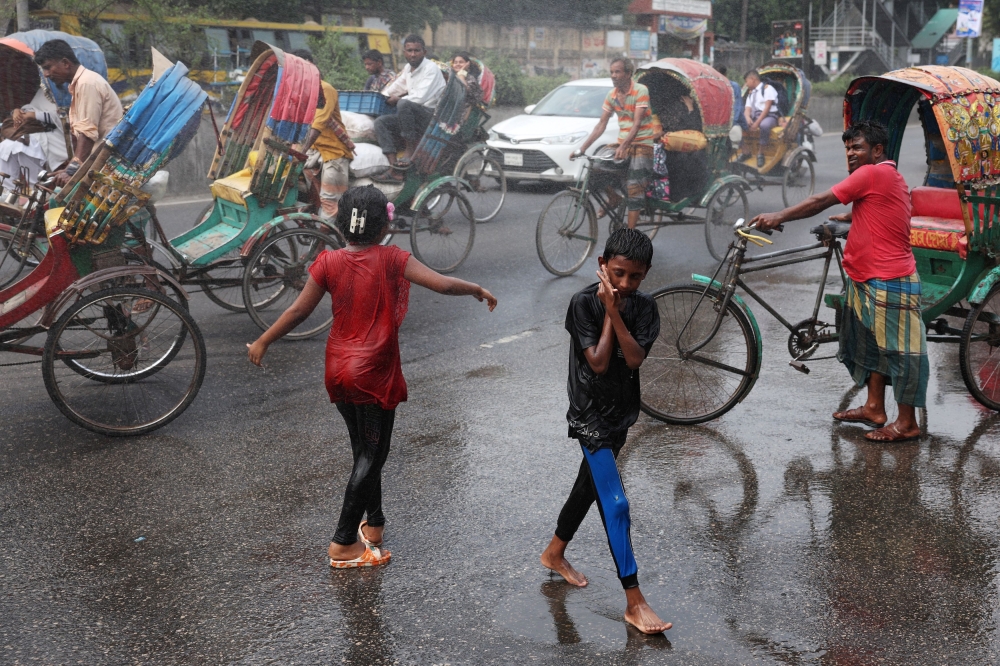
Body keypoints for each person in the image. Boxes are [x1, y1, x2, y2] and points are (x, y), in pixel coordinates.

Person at [246, 185, 497, 567]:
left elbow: (297, 312)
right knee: (373, 455)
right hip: (372, 374)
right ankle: (343, 543)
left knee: (363, 450)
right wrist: (476, 288)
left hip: (338, 371)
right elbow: (443, 284)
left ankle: (373, 525)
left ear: (343, 224)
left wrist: (262, 341)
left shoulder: (328, 262)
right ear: (384, 226)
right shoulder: (393, 258)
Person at [750, 120, 928, 443]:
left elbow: (820, 201)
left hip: (889, 280)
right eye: (847, 148)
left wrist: (779, 216)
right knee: (875, 347)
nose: (850, 154)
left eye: (857, 148)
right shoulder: (885, 175)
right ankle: (875, 407)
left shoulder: (873, 173)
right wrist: (853, 216)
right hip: (867, 280)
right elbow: (886, 208)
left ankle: (908, 423)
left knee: (901, 353)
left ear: (877, 150)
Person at [539, 227, 672, 635]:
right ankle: (635, 601)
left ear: (645, 274)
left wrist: (616, 311)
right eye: (617, 273)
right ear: (602, 266)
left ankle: (554, 553)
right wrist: (607, 310)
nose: (624, 284)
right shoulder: (582, 304)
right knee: (615, 502)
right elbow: (597, 362)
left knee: (590, 485)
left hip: (621, 413)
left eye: (634, 277)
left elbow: (632, 361)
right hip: (589, 415)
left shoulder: (645, 308)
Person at [14, 39, 123, 187]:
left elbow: (87, 132)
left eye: (48, 67)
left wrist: (72, 169)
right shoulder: (79, 84)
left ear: (65, 63)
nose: (45, 74)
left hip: (107, 161)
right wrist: (71, 166)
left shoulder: (87, 83)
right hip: (97, 160)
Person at [571, 58, 655, 230]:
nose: (614, 76)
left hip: (642, 145)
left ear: (628, 73)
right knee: (595, 167)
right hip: (622, 143)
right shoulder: (612, 95)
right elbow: (601, 124)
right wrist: (582, 148)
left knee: (634, 190)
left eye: (618, 72)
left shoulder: (640, 90)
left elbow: (637, 123)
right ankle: (614, 197)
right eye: (612, 72)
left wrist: (624, 146)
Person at [292, 50, 355, 222]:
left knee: (329, 200)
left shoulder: (325, 89)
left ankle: (321, 243)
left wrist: (302, 151)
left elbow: (319, 123)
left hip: (333, 151)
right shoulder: (301, 92)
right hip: (314, 149)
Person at [374, 35, 446, 171]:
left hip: (430, 116)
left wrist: (398, 99)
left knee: (403, 103)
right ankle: (393, 166)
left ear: (424, 52)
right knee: (380, 122)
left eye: (416, 51)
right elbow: (395, 87)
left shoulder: (431, 69)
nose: (413, 54)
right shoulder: (408, 68)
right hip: (412, 115)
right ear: (404, 52)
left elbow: (420, 98)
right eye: (409, 50)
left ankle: (410, 149)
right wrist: (381, 97)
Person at [742, 69, 779, 168]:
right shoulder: (751, 93)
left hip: (769, 116)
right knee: (738, 123)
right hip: (755, 116)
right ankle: (745, 150)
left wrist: (756, 123)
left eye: (747, 81)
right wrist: (747, 117)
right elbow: (747, 108)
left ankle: (760, 153)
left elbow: (767, 108)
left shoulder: (768, 89)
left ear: (753, 79)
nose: (746, 84)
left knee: (764, 125)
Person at [715, 65, 747, 130]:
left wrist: (732, 123)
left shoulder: (734, 86)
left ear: (725, 75)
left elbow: (737, 106)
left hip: (735, 121)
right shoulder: (714, 87)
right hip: (719, 122)